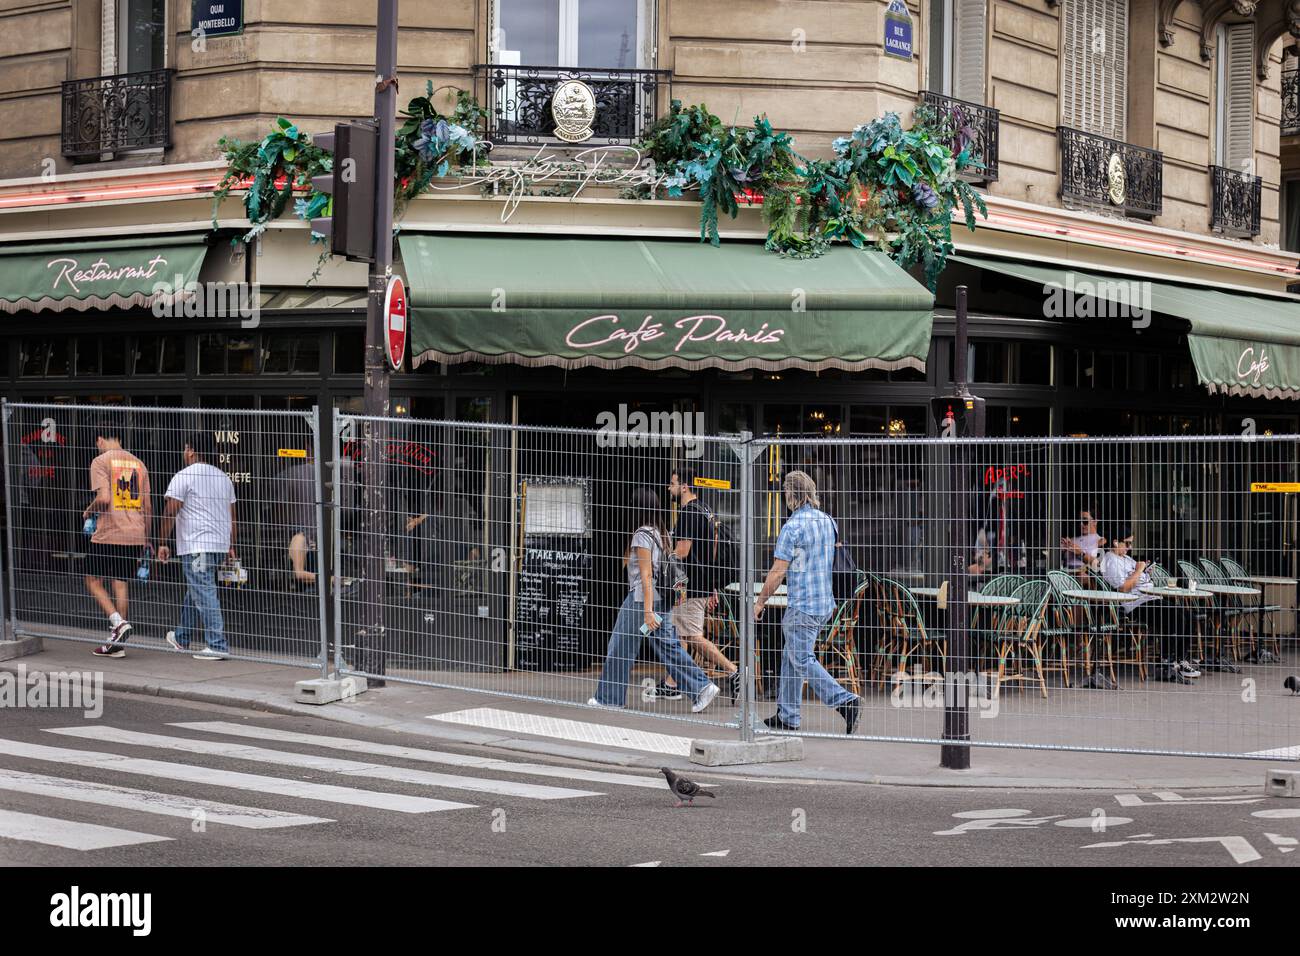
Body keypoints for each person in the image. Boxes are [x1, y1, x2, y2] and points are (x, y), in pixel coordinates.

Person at [589, 488, 720, 713]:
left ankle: (609, 698)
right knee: (668, 647)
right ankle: (702, 687)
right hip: (661, 600)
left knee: (620, 645)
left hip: (642, 602)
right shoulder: (662, 534)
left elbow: (646, 575)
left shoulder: (642, 534)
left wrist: (647, 611)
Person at [757, 470, 861, 733]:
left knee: (801, 658)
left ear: (791, 495)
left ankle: (845, 701)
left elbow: (778, 571)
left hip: (802, 604)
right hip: (824, 603)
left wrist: (760, 602)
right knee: (791, 656)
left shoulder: (792, 527)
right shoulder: (828, 521)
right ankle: (788, 715)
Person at [650, 470, 740, 702]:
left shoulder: (689, 513)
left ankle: (735, 671)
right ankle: (672, 684)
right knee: (682, 633)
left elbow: (683, 552)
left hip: (689, 585)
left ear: (685, 487)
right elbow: (709, 553)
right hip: (700, 584)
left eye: (672, 484)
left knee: (693, 637)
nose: (669, 488)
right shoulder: (705, 510)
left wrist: (662, 553)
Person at [156, 432, 237, 661]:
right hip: (219, 545)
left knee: (204, 591)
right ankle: (181, 638)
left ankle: (217, 645)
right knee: (198, 589)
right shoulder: (223, 477)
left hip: (196, 545)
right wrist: (231, 546)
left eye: (185, 449)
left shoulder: (184, 476)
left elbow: (171, 511)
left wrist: (162, 542)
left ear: (190, 450)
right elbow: (233, 518)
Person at [83, 421, 152, 658]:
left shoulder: (100, 462)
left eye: (97, 443)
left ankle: (118, 623)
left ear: (100, 439)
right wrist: (147, 538)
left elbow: (103, 498)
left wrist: (88, 511)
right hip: (135, 532)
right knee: (120, 582)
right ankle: (117, 645)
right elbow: (148, 506)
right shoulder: (139, 464)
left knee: (92, 580)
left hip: (109, 532)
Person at [1099, 528, 1200, 684]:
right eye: (1127, 543)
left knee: (1189, 616)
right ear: (1115, 542)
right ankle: (1167, 663)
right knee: (1176, 617)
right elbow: (1123, 587)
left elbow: (1140, 577)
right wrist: (1139, 570)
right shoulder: (1109, 560)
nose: (1130, 547)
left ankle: (1181, 660)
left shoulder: (1125, 558)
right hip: (1134, 603)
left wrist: (1146, 571)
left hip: (1149, 597)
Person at [1062, 507, 1105, 574]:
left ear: (1095, 521)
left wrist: (1080, 554)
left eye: (1085, 521)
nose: (1081, 524)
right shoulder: (1072, 540)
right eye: (1079, 521)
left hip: (1085, 579)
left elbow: (1100, 566)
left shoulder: (1101, 540)